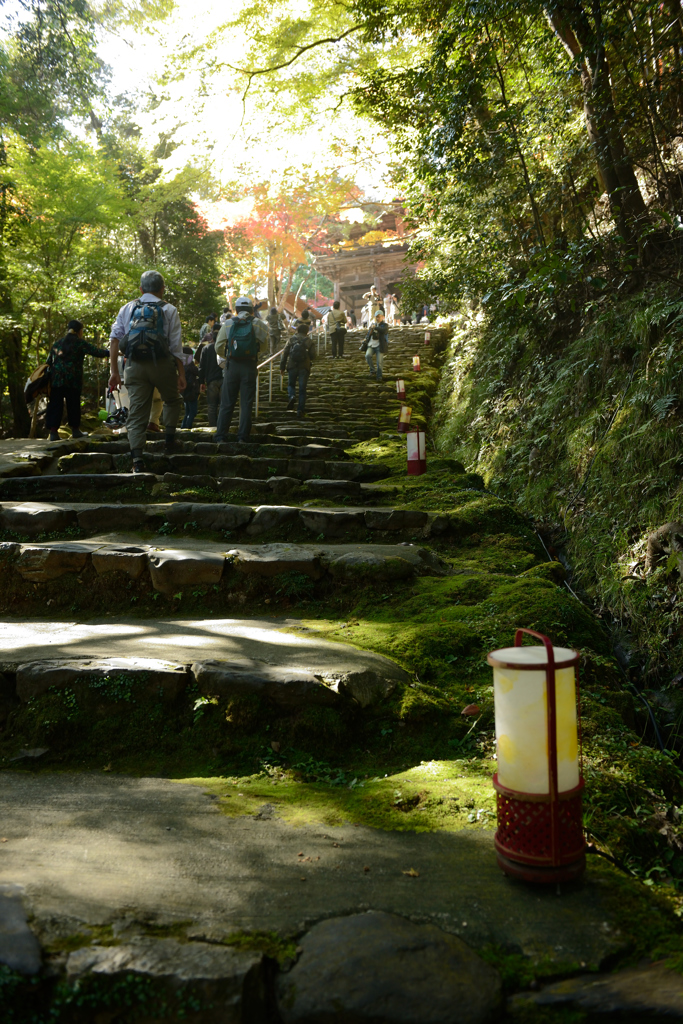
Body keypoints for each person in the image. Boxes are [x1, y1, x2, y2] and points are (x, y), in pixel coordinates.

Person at [108, 270, 186, 473]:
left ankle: (137, 461)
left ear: (141, 289)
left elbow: (115, 339)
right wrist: (182, 374)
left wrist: (114, 372)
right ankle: (169, 442)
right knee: (173, 400)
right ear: (162, 290)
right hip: (162, 364)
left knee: (137, 411)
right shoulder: (169, 309)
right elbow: (176, 346)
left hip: (133, 365)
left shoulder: (128, 308)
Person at [213, 295, 268, 443]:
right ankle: (242, 437)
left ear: (236, 310)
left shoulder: (228, 323)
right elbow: (264, 347)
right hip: (249, 366)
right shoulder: (260, 324)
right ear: (251, 310)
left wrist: (228, 355)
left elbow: (218, 346)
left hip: (232, 366)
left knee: (227, 402)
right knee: (246, 403)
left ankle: (220, 435)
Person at [45, 320, 109, 442]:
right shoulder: (80, 343)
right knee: (73, 404)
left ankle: (53, 432)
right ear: (80, 331)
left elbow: (48, 362)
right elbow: (97, 352)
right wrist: (112, 352)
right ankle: (75, 430)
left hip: (57, 379)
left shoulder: (57, 343)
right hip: (72, 380)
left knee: (55, 404)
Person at [280, 322, 316, 419]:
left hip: (292, 365)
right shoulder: (309, 341)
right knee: (302, 389)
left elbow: (285, 354)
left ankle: (291, 396)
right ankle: (300, 410)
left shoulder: (291, 339)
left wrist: (282, 367)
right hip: (304, 367)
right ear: (307, 331)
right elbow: (313, 355)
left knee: (291, 384)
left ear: (297, 330)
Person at [198, 328, 224, 427]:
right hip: (223, 378)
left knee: (212, 406)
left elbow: (201, 367)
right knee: (223, 405)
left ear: (212, 338)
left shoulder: (206, 349)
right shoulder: (224, 348)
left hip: (211, 380)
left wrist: (201, 382)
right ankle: (222, 426)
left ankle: (213, 426)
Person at [363, 310, 389, 382]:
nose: (378, 318)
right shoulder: (372, 324)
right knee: (367, 355)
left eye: (379, 317)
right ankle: (372, 371)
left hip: (379, 346)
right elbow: (369, 334)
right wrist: (366, 339)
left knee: (379, 362)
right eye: (376, 317)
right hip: (371, 344)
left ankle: (379, 376)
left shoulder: (385, 325)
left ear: (382, 317)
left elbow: (384, 330)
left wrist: (375, 327)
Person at [181, 346, 200, 428]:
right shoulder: (189, 365)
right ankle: (188, 425)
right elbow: (197, 372)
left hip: (184, 391)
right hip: (191, 390)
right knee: (193, 411)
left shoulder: (181, 365)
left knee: (187, 411)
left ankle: (183, 426)